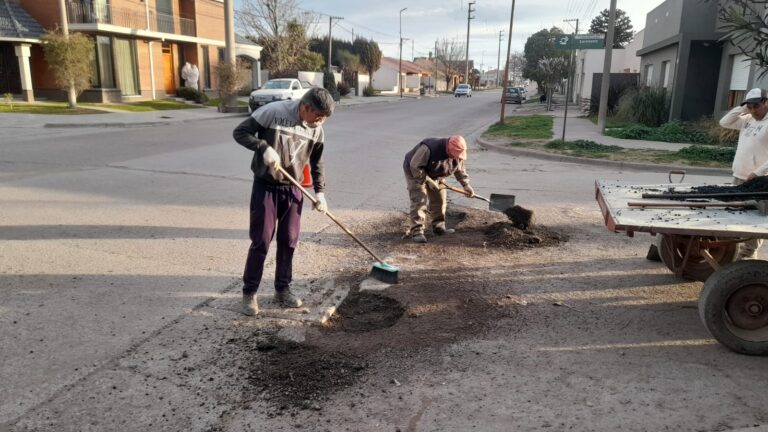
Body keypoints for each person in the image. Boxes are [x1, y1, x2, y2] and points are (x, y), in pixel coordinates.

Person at [232, 87, 335, 315]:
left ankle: (282, 289)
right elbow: (240, 132)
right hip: (266, 187)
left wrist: (320, 193)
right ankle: (249, 293)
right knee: (261, 241)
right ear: (305, 107)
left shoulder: (317, 130)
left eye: (324, 119)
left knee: (289, 241)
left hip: (294, 189)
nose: (320, 122)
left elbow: (316, 163)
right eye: (318, 116)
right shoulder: (272, 112)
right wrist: (263, 147)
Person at [719, 87, 768, 259]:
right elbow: (724, 122)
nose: (753, 110)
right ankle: (738, 256)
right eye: (750, 106)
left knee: (753, 222)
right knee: (737, 217)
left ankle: (748, 260)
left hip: (758, 181)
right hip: (739, 176)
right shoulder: (747, 119)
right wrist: (743, 108)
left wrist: (757, 172)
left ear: (765, 102)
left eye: (756, 106)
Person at [403, 136, 474, 243]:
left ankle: (439, 227)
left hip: (436, 172)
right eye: (454, 155)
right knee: (419, 199)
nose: (456, 157)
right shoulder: (428, 148)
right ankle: (417, 230)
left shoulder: (457, 155)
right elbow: (415, 166)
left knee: (440, 198)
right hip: (415, 171)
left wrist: (466, 184)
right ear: (449, 148)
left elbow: (459, 169)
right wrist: (427, 180)